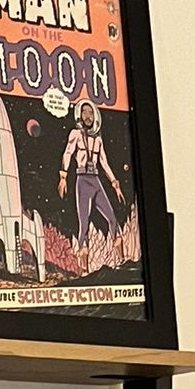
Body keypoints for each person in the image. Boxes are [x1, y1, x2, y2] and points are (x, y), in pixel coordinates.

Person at [58, 99, 126, 276]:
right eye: (84, 112)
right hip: (82, 181)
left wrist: (115, 184)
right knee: (84, 224)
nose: (87, 116)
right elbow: (67, 153)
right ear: (80, 115)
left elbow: (104, 162)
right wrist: (63, 176)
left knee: (112, 218)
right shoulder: (75, 134)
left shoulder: (98, 140)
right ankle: (84, 268)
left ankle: (121, 260)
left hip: (96, 181)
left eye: (90, 113)